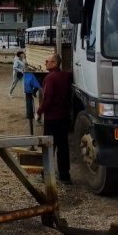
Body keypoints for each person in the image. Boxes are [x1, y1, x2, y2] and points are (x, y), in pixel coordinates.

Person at [36, 53, 72, 184]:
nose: (45, 62)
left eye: (47, 61)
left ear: (55, 63)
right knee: (63, 146)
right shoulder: (67, 76)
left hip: (52, 117)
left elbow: (48, 99)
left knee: (49, 146)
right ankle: (65, 175)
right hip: (64, 116)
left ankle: (46, 174)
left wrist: (39, 111)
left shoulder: (50, 78)